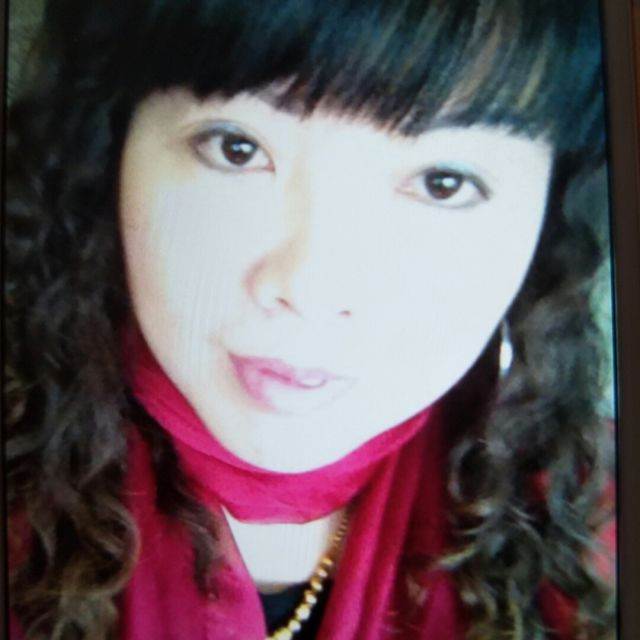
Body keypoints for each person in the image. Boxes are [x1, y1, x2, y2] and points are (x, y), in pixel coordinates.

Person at [5, 0, 616, 638]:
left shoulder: (594, 521)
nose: (309, 287)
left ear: (547, 222)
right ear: (111, 157)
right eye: (236, 148)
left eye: (443, 182)